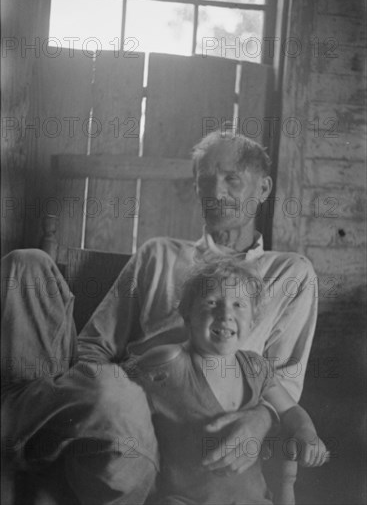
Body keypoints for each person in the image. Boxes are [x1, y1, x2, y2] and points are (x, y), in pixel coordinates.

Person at [1, 130, 318, 504]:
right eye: (205, 181)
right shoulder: (158, 255)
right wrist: (100, 398)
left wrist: (260, 421)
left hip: (168, 447)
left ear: (263, 189)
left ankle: (17, 431)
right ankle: (32, 429)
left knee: (115, 392)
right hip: (111, 403)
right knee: (28, 265)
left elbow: (284, 384)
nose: (215, 193)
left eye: (231, 178)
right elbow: (93, 348)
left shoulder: (290, 274)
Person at [131, 258, 327, 505]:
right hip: (183, 499)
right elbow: (114, 398)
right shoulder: (168, 362)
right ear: (187, 315)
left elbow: (289, 410)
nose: (225, 314)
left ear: (253, 320)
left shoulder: (255, 367)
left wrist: (306, 431)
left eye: (238, 305)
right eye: (211, 302)